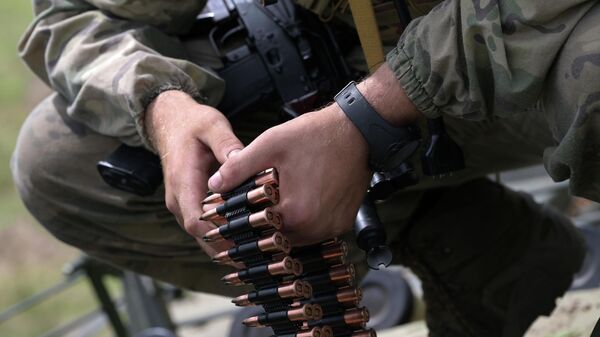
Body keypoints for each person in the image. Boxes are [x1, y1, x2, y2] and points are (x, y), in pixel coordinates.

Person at [11, 0, 598, 335]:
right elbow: (73, 15)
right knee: (58, 160)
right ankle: (472, 244)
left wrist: (371, 114)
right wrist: (162, 105)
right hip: (337, 61)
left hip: (529, 48)